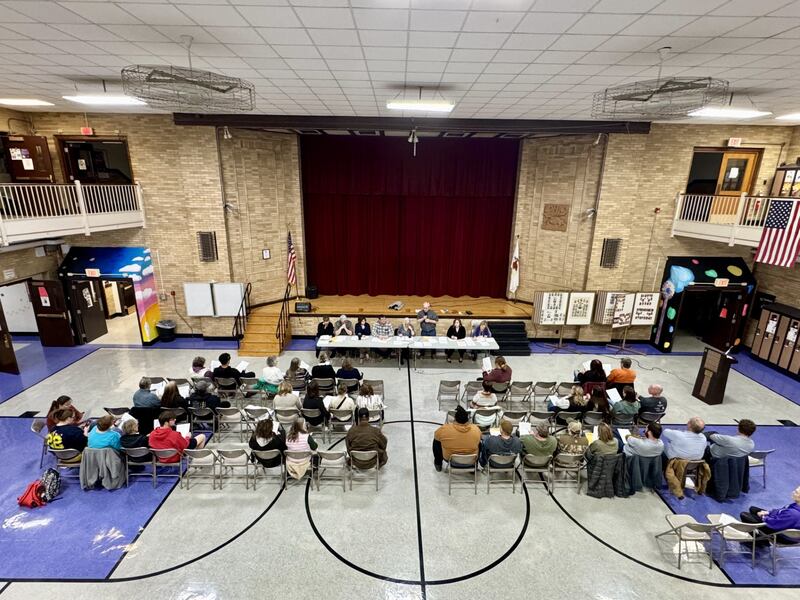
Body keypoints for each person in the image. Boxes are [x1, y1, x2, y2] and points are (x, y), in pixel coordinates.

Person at [432, 406, 481, 472]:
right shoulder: (476, 429)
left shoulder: (444, 429)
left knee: (437, 441)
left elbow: (436, 436)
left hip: (451, 460)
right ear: (468, 420)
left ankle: (438, 463)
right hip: (471, 460)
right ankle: (474, 467)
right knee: (479, 443)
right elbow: (480, 438)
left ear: (455, 419)